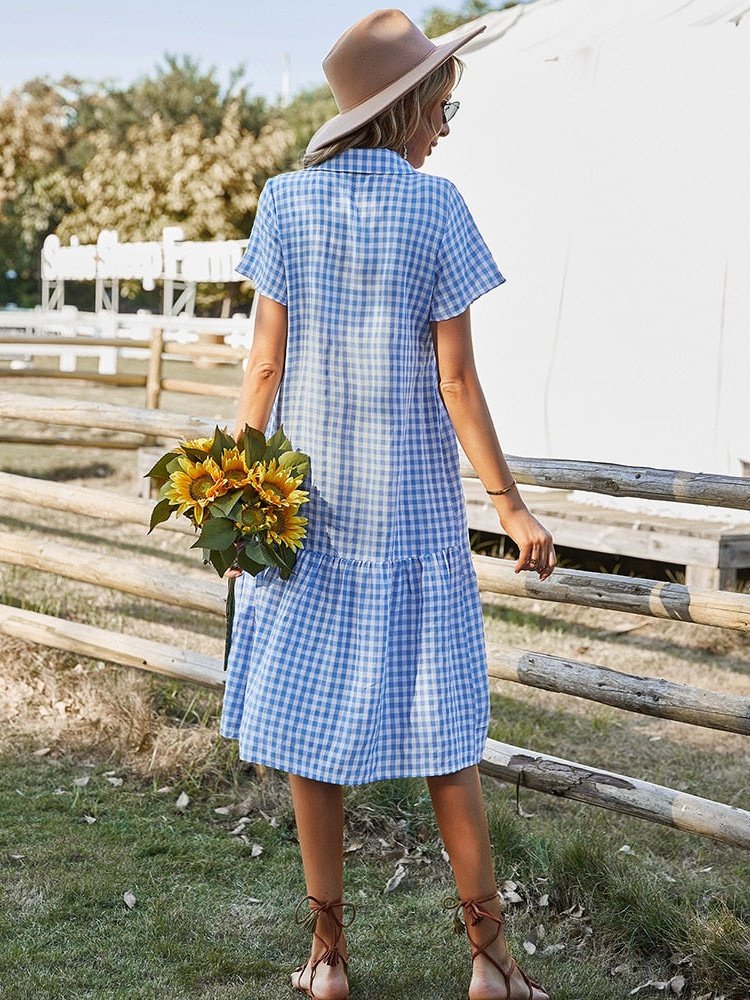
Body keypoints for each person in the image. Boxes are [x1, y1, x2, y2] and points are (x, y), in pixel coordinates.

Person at [220, 8, 555, 999]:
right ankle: (490, 966)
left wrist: (239, 505)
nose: (448, 123)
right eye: (442, 105)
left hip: (310, 523)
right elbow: (458, 382)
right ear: (403, 109)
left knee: (308, 746)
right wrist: (510, 505)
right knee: (448, 747)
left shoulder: (284, 203)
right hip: (412, 526)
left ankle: (328, 961)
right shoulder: (437, 207)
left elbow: (264, 366)